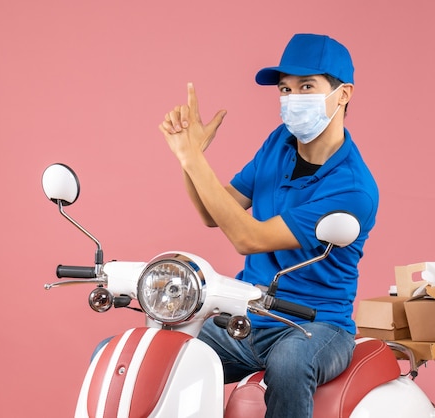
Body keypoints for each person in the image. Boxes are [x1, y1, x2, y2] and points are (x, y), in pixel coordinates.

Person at [158, 33, 379, 418]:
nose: (292, 98)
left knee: (291, 362)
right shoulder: (280, 142)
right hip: (251, 315)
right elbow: (215, 212)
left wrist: (196, 161)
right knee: (164, 355)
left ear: (343, 94)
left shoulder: (352, 187)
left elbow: (248, 237)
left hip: (317, 326)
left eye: (306, 86)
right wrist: (186, 156)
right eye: (285, 88)